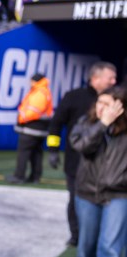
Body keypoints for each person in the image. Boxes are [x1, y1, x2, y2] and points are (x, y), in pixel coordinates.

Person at [70, 86, 127, 257]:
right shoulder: (86, 123)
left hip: (119, 194)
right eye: (99, 102)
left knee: (110, 245)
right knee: (87, 243)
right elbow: (82, 146)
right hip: (87, 192)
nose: (101, 107)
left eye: (109, 103)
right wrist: (102, 124)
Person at [47, 61, 118, 246]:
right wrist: (53, 150)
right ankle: (76, 235)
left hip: (107, 167)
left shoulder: (117, 99)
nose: (114, 81)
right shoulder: (74, 97)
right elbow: (56, 124)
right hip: (76, 162)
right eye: (110, 77)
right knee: (76, 199)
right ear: (95, 78)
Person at [7, 73, 53, 184]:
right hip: (41, 128)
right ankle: (35, 177)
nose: (29, 83)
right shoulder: (44, 91)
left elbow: (32, 112)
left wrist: (21, 120)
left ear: (35, 81)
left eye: (31, 81)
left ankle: (19, 176)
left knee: (24, 152)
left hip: (32, 128)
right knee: (36, 153)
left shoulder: (39, 92)